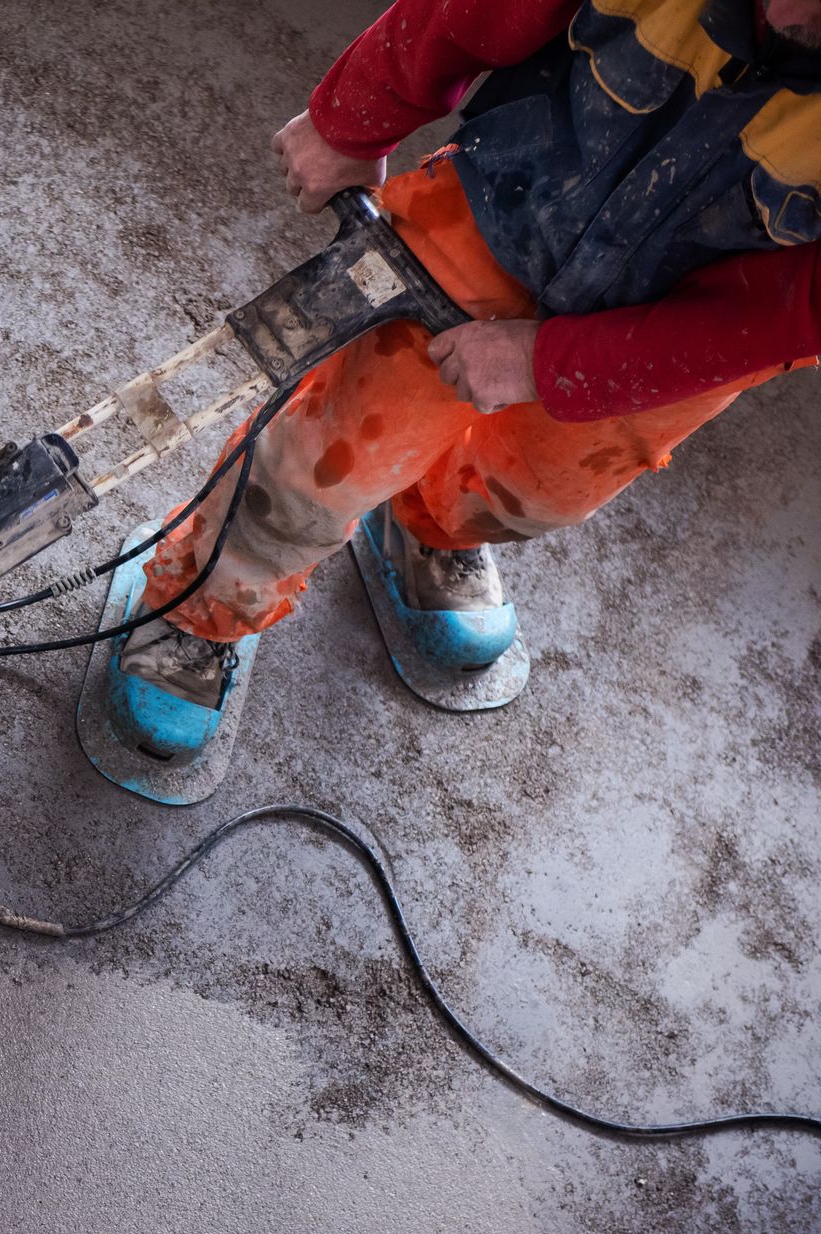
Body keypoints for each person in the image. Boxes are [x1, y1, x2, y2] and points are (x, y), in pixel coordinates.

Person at [116, 0, 821, 735]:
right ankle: (202, 609)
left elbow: (800, 309)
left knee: (536, 491)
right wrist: (353, 120)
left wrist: (553, 364)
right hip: (503, 204)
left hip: (693, 327)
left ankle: (429, 528)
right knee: (325, 461)